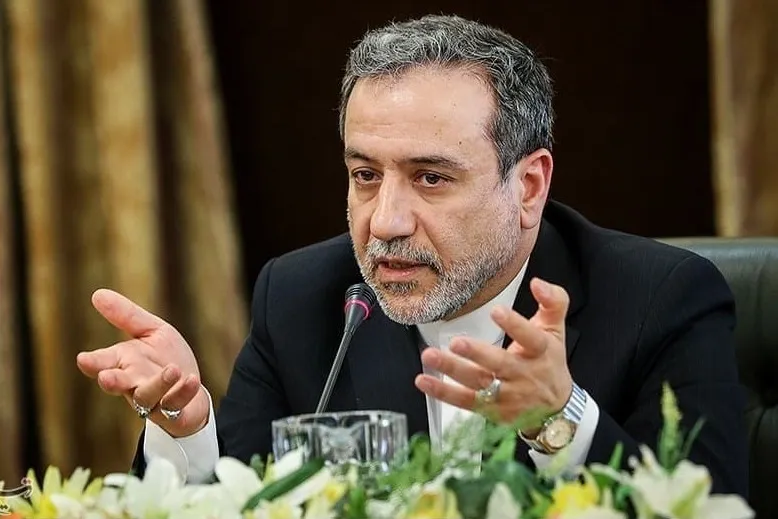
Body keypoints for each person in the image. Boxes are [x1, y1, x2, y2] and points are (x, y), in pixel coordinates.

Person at [76, 14, 748, 496]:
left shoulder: (662, 299)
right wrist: (187, 427)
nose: (386, 222)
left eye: (430, 178)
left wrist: (560, 419)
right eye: (365, 175)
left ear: (528, 186)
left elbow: (708, 504)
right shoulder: (303, 297)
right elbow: (241, 496)